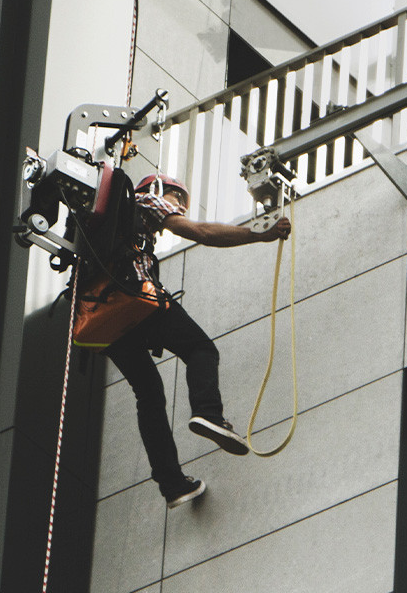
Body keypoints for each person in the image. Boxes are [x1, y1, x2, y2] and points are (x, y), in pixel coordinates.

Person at [108, 173, 291, 508]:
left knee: (148, 394)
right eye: (180, 200)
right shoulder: (147, 200)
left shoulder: (109, 230)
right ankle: (208, 412)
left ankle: (173, 486)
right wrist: (258, 235)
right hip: (135, 296)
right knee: (200, 349)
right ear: (163, 191)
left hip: (101, 318)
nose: (179, 208)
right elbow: (201, 233)